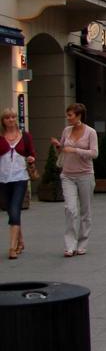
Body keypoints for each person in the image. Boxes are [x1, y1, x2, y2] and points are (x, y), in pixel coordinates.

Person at [51, 103, 98, 257]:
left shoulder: (90, 132)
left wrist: (76, 150)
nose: (68, 118)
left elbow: (94, 153)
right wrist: (58, 146)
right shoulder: (66, 130)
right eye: (68, 114)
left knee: (86, 210)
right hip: (68, 175)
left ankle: (82, 243)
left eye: (70, 115)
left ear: (79, 115)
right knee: (70, 209)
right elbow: (63, 149)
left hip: (85, 174)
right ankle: (70, 245)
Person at [0, 109, 35, 259]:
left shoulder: (25, 136)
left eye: (13, 117)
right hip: (2, 178)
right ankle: (20, 241)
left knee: (15, 209)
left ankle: (12, 247)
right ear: (3, 120)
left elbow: (31, 153)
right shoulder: (0, 137)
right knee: (9, 209)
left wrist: (31, 159)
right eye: (7, 117)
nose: (11, 119)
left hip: (20, 177)